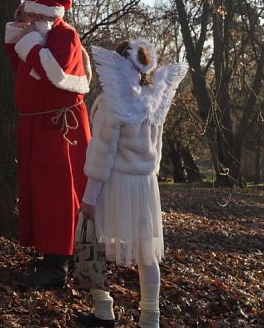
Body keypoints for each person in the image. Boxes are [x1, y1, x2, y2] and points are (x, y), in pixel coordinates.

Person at [78, 40, 187, 328]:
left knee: (95, 243)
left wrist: (89, 197)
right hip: (146, 185)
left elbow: (102, 151)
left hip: (115, 183)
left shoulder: (113, 102)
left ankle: (103, 311)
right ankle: (150, 318)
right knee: (146, 253)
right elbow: (158, 148)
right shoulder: (155, 101)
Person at [4, 0, 92, 287]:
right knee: (40, 192)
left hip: (59, 128)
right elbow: (23, 67)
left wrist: (27, 42)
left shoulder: (65, 36)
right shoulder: (42, 38)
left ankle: (58, 265)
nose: (26, 21)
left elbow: (53, 72)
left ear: (45, 16)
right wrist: (18, 40)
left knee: (58, 193)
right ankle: (51, 253)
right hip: (40, 125)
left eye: (30, 16)